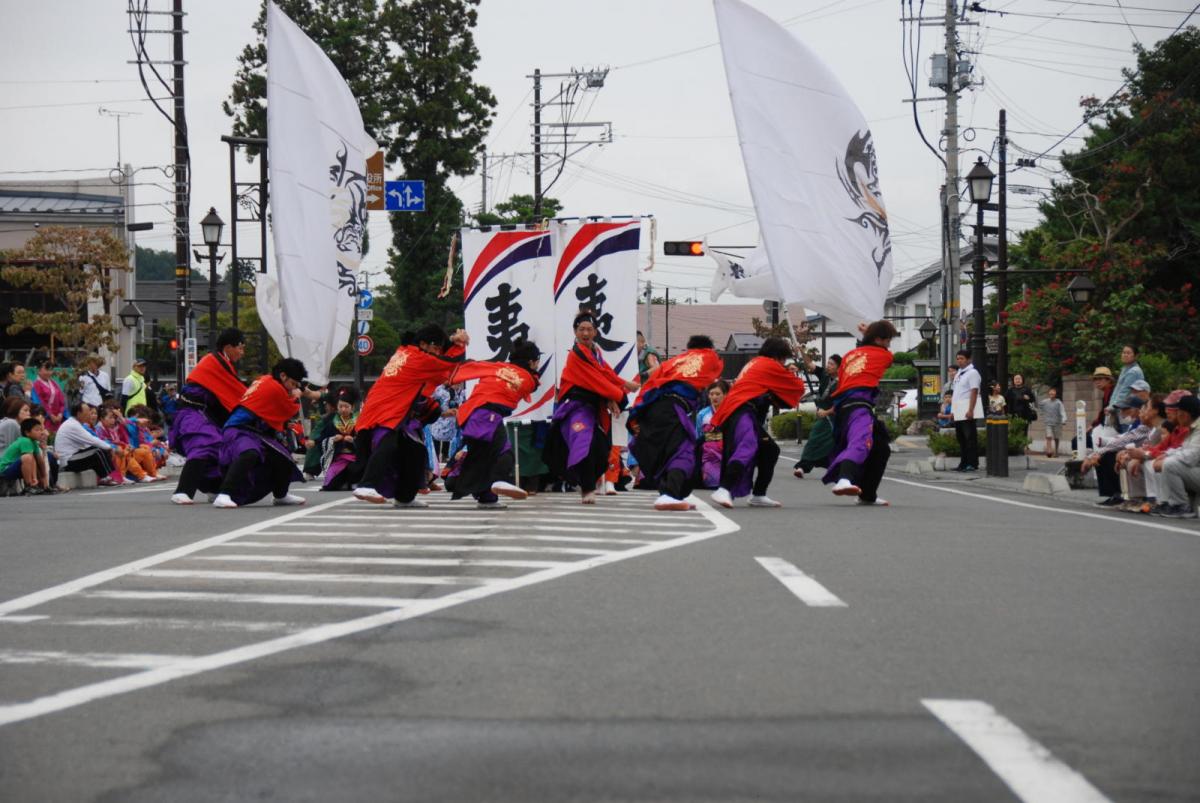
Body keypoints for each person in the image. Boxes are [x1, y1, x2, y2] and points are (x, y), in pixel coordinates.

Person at [353, 325, 461, 507]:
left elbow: (440, 370)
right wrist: (459, 345)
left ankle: (405, 496)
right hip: (385, 410)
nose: (437, 353)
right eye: (435, 348)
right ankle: (366, 485)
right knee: (387, 445)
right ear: (423, 344)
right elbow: (448, 363)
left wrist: (452, 343)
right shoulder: (418, 358)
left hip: (391, 409)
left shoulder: (406, 351)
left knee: (415, 450)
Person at [544, 312, 640, 504]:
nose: (585, 333)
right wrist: (619, 393)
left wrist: (615, 392)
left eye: (589, 329)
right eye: (581, 329)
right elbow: (597, 380)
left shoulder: (595, 352)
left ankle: (589, 483)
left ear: (595, 332)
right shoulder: (577, 354)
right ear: (575, 331)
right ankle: (587, 488)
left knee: (601, 448)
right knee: (584, 444)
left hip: (593, 409)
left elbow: (604, 373)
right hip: (576, 409)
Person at [627, 335, 724, 510]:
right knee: (683, 451)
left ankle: (670, 494)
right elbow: (716, 371)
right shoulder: (709, 357)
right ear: (709, 348)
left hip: (654, 409)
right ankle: (669, 495)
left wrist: (635, 415)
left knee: (666, 453)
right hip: (672, 409)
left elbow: (649, 385)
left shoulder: (673, 362)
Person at [710, 336, 808, 509]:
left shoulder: (755, 363)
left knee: (770, 450)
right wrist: (792, 372)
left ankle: (759, 494)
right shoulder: (769, 365)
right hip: (742, 411)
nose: (783, 363)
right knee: (747, 446)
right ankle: (724, 488)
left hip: (736, 411)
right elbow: (797, 386)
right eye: (783, 359)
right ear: (777, 356)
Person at [447, 340, 543, 508]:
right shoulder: (527, 378)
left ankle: (487, 498)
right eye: (537, 362)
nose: (537, 366)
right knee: (504, 453)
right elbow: (534, 383)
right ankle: (498, 480)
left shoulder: (496, 367)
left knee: (486, 457)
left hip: (471, 414)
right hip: (486, 415)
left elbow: (470, 365)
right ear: (531, 362)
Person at [211, 359, 309, 509]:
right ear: (283, 376)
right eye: (293, 383)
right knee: (249, 453)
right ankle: (224, 494)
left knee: (283, 457)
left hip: (254, 431)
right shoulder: (274, 387)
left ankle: (280, 495)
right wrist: (296, 395)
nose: (293, 387)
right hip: (239, 428)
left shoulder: (266, 380)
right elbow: (290, 409)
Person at [822, 320, 899, 505]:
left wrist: (868, 334)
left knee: (881, 448)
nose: (889, 344)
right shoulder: (883, 355)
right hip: (858, 405)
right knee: (860, 441)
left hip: (844, 406)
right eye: (888, 340)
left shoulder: (849, 355)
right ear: (879, 339)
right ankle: (844, 479)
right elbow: (887, 359)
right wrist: (869, 333)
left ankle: (867, 494)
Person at [170, 328, 248, 505]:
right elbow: (238, 393)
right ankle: (182, 491)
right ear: (228, 347)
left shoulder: (224, 363)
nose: (242, 352)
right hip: (191, 412)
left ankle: (214, 489)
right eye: (240, 348)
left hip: (206, 414)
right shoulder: (213, 362)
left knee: (220, 448)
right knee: (205, 444)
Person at [793, 354, 843, 478]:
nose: (828, 366)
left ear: (839, 367)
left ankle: (803, 466)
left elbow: (841, 404)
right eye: (828, 363)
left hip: (833, 418)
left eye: (832, 364)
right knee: (818, 442)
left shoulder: (842, 383)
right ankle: (807, 466)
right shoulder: (825, 375)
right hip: (822, 416)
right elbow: (810, 364)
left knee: (817, 440)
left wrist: (827, 412)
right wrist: (801, 351)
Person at [1155, 394, 1200, 518]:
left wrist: (1167, 458)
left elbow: (1191, 457)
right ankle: (1166, 502)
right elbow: (1185, 449)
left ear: (1185, 414)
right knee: (1166, 462)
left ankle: (1181, 506)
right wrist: (1166, 454)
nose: (1176, 414)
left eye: (1178, 411)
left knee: (1170, 465)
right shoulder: (1193, 426)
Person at [54, 402, 117, 483]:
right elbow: (92, 440)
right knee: (98, 451)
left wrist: (107, 447)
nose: (89, 414)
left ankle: (106, 477)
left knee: (98, 449)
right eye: (87, 412)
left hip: (72, 457)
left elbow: (87, 444)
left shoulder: (75, 423)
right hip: (67, 462)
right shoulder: (73, 425)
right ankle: (106, 477)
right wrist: (110, 447)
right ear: (79, 413)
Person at [319, 387, 362, 491]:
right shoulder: (331, 421)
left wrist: (354, 440)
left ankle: (354, 482)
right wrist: (332, 439)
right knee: (329, 486)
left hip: (355, 457)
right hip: (338, 457)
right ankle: (344, 482)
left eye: (346, 406)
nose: (343, 409)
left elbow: (366, 440)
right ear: (337, 407)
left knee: (355, 468)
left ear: (352, 407)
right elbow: (322, 439)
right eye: (340, 406)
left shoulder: (359, 421)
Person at [951, 349, 982, 472]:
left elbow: (974, 391)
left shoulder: (973, 373)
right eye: (958, 358)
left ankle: (972, 463)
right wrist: (953, 410)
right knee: (961, 438)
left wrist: (971, 409)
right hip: (958, 409)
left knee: (970, 438)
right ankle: (963, 463)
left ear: (969, 359)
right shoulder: (959, 373)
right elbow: (956, 393)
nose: (959, 361)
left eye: (962, 358)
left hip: (967, 409)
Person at [0, 418, 50, 495]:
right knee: (27, 457)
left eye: (41, 430)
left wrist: (45, 480)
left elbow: (40, 462)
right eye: (37, 430)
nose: (40, 432)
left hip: (15, 468)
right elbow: (30, 459)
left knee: (36, 461)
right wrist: (34, 478)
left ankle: (43, 487)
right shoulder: (25, 441)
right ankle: (29, 486)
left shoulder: (33, 442)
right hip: (5, 470)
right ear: (27, 433)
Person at [695, 380, 730, 489]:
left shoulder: (731, 412)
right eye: (711, 394)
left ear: (725, 395)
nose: (714, 397)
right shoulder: (702, 414)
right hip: (709, 454)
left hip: (728, 451)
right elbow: (699, 436)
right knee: (712, 482)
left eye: (718, 394)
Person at [1107, 345, 1144, 425]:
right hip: (1120, 408)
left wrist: (1112, 407)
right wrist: (1110, 405)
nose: (1125, 355)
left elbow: (1124, 392)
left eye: (1128, 353)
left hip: (1127, 411)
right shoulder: (1125, 369)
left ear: (1136, 356)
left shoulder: (1133, 371)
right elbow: (1117, 390)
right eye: (1124, 352)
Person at [30, 358, 67, 435]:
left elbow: (62, 400)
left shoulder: (54, 383)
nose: (49, 372)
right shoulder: (36, 385)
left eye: (50, 370)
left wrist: (60, 413)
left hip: (58, 419)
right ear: (39, 370)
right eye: (46, 370)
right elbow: (39, 402)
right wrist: (51, 415)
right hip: (45, 419)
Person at [1038, 387, 1067, 457]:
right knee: (1049, 436)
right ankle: (1049, 451)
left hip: (1057, 423)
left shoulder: (1058, 402)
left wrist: (1064, 420)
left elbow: (1062, 411)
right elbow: (1039, 405)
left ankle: (1056, 451)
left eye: (1053, 392)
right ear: (1049, 393)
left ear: (1056, 394)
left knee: (1056, 438)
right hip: (1048, 422)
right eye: (1050, 392)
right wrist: (1042, 412)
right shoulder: (1045, 401)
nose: (1051, 393)